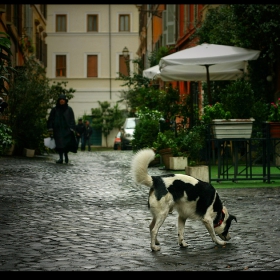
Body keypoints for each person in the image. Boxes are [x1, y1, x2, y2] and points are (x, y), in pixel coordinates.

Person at [47, 94, 77, 164]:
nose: (62, 101)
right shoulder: (55, 109)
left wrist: (72, 128)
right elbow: (51, 119)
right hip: (58, 130)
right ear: (59, 101)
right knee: (59, 144)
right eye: (61, 100)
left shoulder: (69, 109)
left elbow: (72, 119)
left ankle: (66, 155)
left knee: (66, 144)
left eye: (63, 100)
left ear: (65, 101)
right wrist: (50, 128)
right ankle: (61, 158)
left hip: (67, 130)